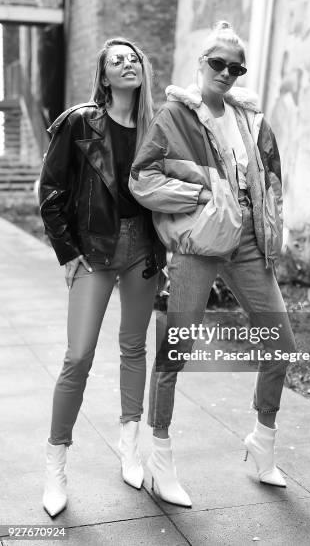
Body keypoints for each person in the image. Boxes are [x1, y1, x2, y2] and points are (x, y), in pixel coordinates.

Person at [129, 21, 296, 507]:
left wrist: (270, 233)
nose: (226, 73)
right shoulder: (174, 117)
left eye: (235, 67)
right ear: (201, 62)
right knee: (176, 350)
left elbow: (271, 181)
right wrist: (201, 196)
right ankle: (160, 456)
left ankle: (262, 441)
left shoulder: (252, 120)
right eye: (218, 63)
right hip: (200, 241)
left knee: (280, 344)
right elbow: (143, 178)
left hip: (246, 241)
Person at [39, 37, 164, 517]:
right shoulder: (79, 122)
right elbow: (51, 190)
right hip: (93, 251)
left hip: (141, 252)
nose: (128, 63)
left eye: (134, 58)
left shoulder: (157, 126)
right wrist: (67, 252)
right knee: (78, 357)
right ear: (104, 75)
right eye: (118, 60)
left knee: (135, 348)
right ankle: (55, 465)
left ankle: (129, 448)